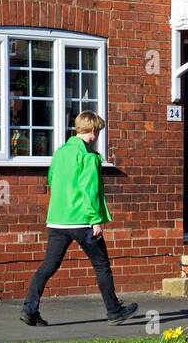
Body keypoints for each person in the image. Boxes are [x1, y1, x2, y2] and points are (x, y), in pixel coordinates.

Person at [20, 111, 138, 326]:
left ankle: (30, 309)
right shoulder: (89, 156)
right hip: (82, 221)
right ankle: (114, 311)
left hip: (57, 219)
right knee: (101, 265)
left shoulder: (60, 152)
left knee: (48, 266)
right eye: (99, 132)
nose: (98, 135)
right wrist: (96, 220)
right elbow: (89, 190)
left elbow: (52, 180)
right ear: (93, 131)